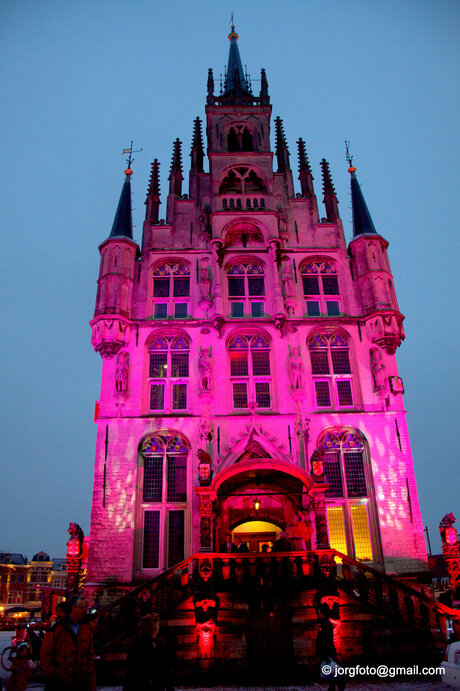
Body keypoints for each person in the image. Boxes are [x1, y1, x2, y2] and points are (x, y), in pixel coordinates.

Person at [40, 594, 96, 691]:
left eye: (85, 607)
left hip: (79, 682)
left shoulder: (86, 628)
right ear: (72, 608)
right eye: (81, 607)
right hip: (60, 683)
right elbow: (46, 654)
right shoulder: (57, 629)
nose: (84, 610)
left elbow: (89, 654)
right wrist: (55, 675)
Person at [123, 613, 172, 691]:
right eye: (157, 625)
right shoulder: (138, 644)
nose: (158, 627)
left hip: (155, 683)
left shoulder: (157, 643)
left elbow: (163, 666)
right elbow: (134, 668)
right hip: (143, 684)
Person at [316, 603, 345, 691]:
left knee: (330, 670)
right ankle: (334, 686)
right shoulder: (324, 624)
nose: (318, 614)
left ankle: (338, 684)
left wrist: (329, 653)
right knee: (330, 671)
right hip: (325, 652)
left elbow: (328, 640)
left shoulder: (326, 625)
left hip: (326, 652)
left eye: (320, 613)